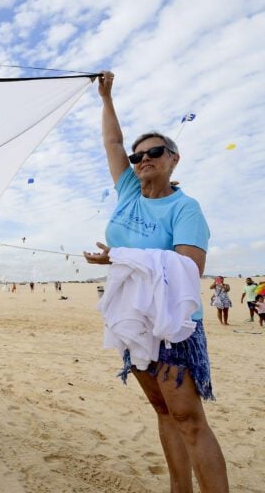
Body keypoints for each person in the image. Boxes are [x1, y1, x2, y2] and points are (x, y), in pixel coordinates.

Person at [83, 72, 228, 492]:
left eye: (155, 152)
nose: (143, 159)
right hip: (135, 321)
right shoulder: (128, 193)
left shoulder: (186, 209)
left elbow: (188, 268)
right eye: (138, 155)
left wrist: (122, 257)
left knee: (189, 419)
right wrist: (106, 98)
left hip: (172, 325)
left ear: (173, 159)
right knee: (164, 413)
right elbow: (112, 143)